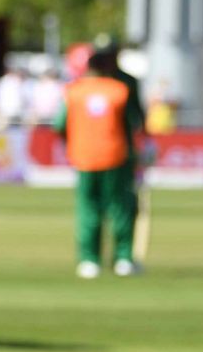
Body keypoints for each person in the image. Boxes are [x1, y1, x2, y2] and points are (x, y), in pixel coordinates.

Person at [55, 42, 143, 278]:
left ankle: (88, 260)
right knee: (120, 208)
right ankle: (123, 259)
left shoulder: (73, 91)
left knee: (88, 208)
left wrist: (74, 142)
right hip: (116, 156)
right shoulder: (119, 90)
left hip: (83, 157)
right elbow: (133, 125)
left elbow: (59, 124)